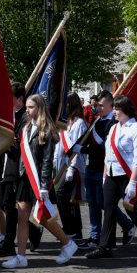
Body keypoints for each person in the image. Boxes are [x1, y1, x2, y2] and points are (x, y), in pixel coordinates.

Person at [1, 94, 78, 269]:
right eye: (27, 107)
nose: (27, 110)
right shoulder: (27, 128)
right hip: (24, 178)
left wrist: (44, 186)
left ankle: (67, 243)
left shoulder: (47, 130)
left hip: (38, 182)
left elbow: (47, 161)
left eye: (30, 107)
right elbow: (21, 154)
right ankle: (21, 256)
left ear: (39, 108)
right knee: (22, 217)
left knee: (43, 218)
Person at [86, 95, 137, 259]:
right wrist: (106, 175)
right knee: (109, 208)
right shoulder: (114, 128)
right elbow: (109, 153)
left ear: (125, 110)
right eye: (114, 109)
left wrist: (133, 182)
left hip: (128, 175)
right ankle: (105, 247)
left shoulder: (136, 129)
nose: (114, 112)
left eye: (117, 109)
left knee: (132, 210)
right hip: (112, 173)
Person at [0, 83, 43, 258]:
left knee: (9, 205)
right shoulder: (10, 115)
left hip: (16, 166)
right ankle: (33, 232)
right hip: (5, 165)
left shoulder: (24, 119)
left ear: (19, 99)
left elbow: (20, 146)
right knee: (5, 204)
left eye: (10, 98)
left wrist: (3, 138)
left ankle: (9, 244)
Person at [82, 91, 134, 247]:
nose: (98, 108)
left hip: (103, 168)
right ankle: (94, 236)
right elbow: (87, 140)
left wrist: (82, 150)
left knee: (103, 203)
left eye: (102, 105)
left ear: (111, 105)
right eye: (97, 105)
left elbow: (103, 148)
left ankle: (126, 224)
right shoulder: (97, 121)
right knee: (92, 203)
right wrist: (76, 148)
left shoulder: (113, 123)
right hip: (91, 166)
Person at [54, 94, 88, 243]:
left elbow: (76, 147)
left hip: (73, 167)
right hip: (62, 165)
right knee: (69, 199)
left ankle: (69, 228)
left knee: (62, 195)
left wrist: (70, 169)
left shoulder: (79, 123)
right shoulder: (64, 122)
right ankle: (75, 230)